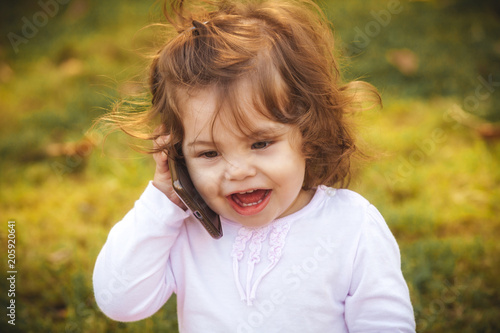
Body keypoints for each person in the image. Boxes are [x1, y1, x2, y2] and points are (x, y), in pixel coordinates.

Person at [93, 0, 416, 332]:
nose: (238, 171)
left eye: (260, 144)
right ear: (177, 155)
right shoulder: (186, 229)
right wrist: (163, 201)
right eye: (208, 153)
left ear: (307, 132)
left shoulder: (351, 225)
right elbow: (119, 300)